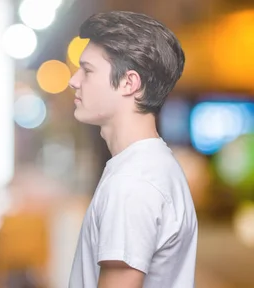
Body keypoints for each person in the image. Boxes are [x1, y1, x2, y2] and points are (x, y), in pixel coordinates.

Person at [67, 11, 198, 288]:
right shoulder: (153, 167)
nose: (74, 80)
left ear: (129, 82)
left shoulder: (132, 183)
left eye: (88, 70)